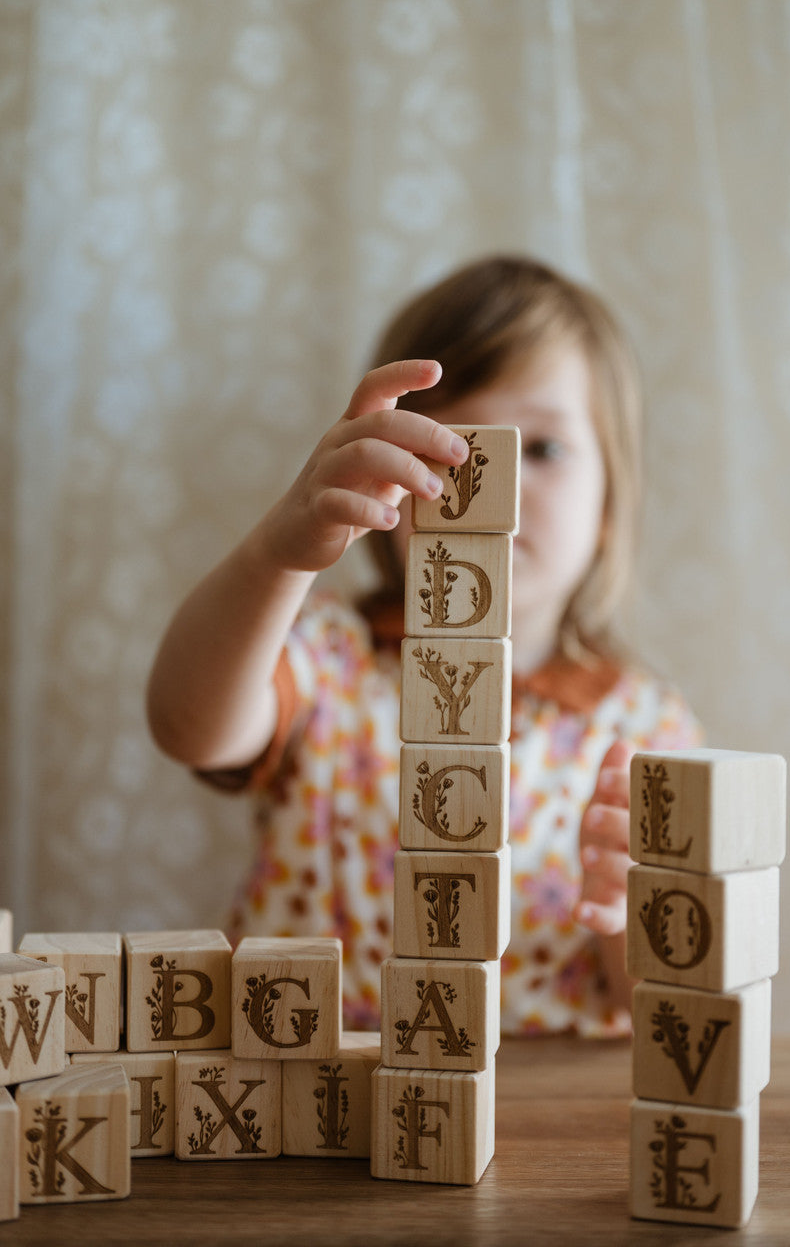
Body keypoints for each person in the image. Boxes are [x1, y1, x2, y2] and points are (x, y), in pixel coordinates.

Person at [146, 255, 702, 1037]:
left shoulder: (644, 727)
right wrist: (276, 555)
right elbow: (185, 724)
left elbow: (647, 1000)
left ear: (611, 501)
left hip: (535, 1124)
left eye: (541, 449)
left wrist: (629, 910)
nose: (492, 486)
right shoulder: (329, 655)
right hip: (301, 1106)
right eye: (452, 448)